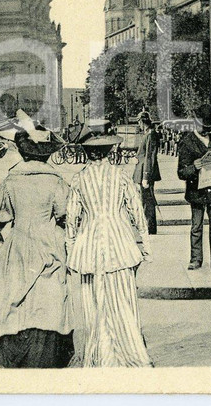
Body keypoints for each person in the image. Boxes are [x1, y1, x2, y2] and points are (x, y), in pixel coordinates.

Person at [0, 124, 74, 368]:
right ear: (47, 154)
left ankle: (17, 355)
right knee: (48, 299)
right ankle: (47, 356)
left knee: (14, 298)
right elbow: (65, 213)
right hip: (49, 244)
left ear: (23, 153)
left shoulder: (11, 180)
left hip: (18, 244)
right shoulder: (56, 181)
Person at [66, 130, 152, 367]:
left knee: (95, 302)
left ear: (86, 153)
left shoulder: (79, 179)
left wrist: (71, 246)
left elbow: (72, 219)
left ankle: (100, 354)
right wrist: (145, 243)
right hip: (119, 243)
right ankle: (127, 350)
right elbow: (137, 211)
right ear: (110, 151)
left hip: (89, 243)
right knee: (122, 299)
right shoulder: (120, 176)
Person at [177, 104, 211, 272]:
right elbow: (181, 172)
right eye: (204, 127)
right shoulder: (187, 142)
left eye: (209, 127)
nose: (206, 130)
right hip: (197, 191)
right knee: (196, 227)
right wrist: (193, 167)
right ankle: (196, 259)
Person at [131, 111, 161, 234]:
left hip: (145, 171)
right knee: (145, 200)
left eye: (139, 122)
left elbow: (150, 156)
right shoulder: (147, 134)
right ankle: (148, 226)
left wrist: (146, 176)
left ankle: (149, 227)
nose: (139, 125)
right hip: (142, 169)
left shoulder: (150, 134)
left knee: (147, 202)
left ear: (143, 121)